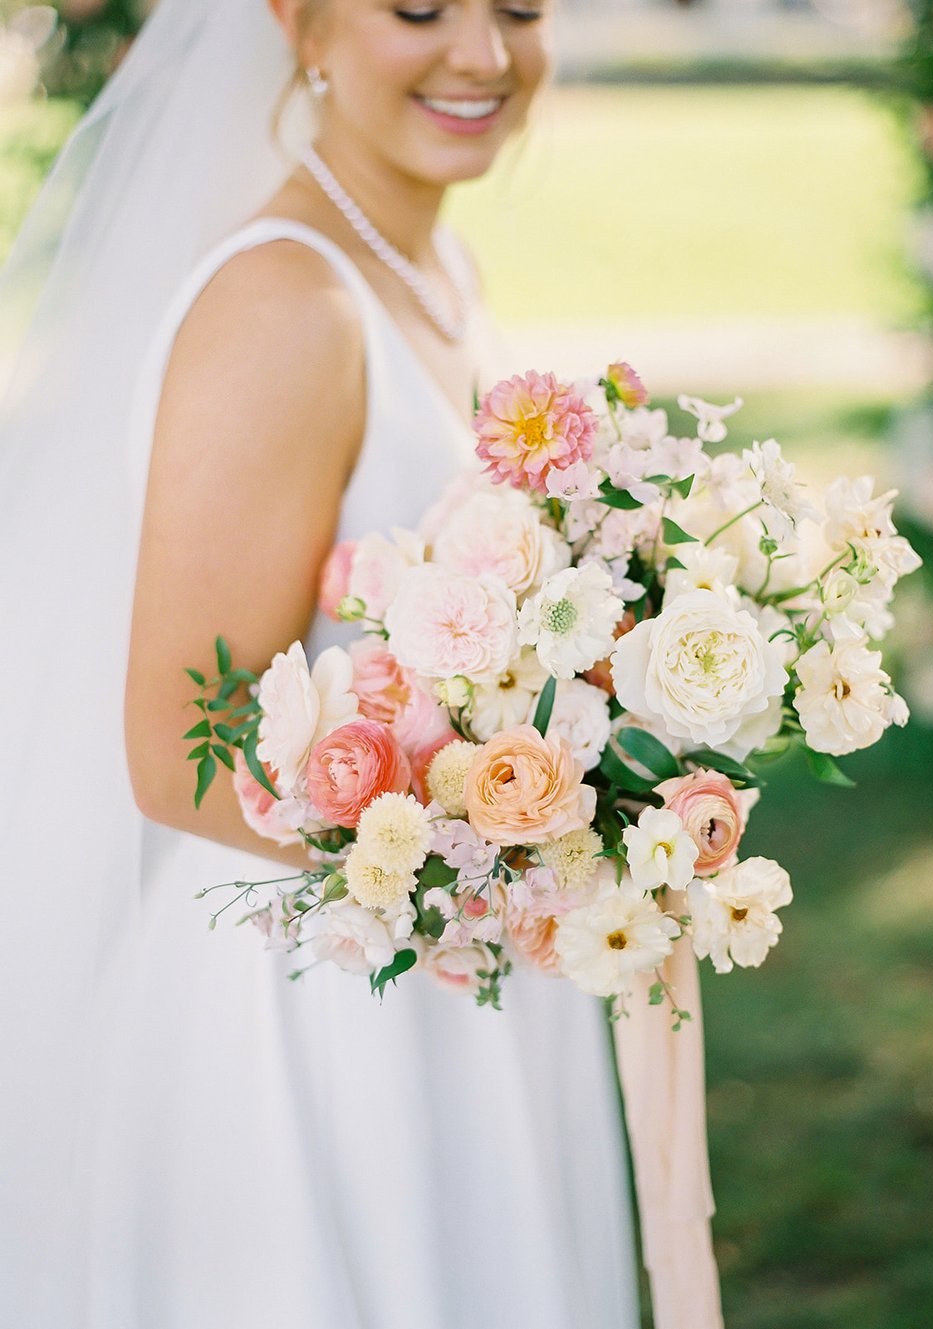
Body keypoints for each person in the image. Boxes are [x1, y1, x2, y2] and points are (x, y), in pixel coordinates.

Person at [0, 3, 722, 1326]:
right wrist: (534, 844)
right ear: (298, 19)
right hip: (328, 1018)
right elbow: (179, 750)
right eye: (419, 9)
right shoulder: (287, 305)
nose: (486, 58)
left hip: (465, 976)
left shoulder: (431, 273)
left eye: (520, 9)